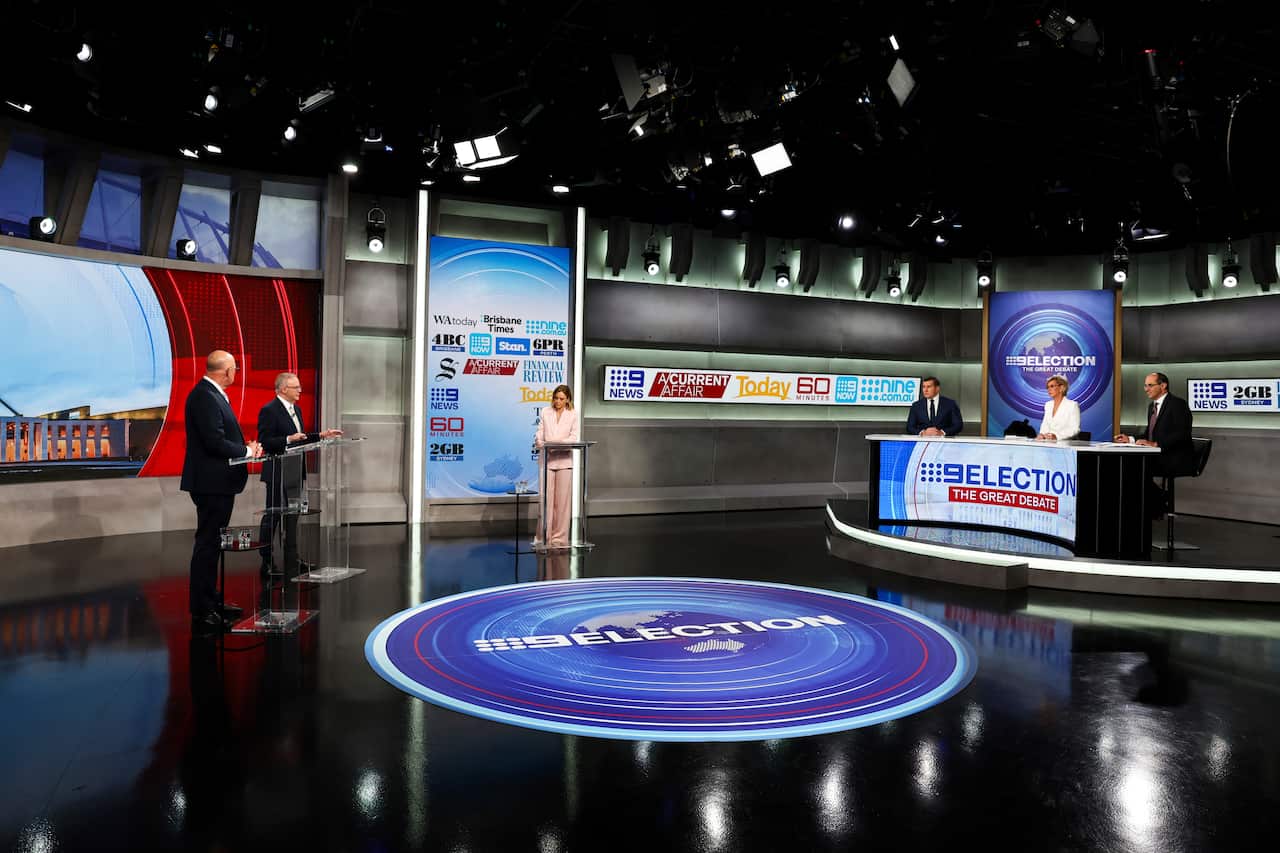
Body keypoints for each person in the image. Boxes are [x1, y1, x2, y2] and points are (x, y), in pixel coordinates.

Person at [180, 351, 262, 634]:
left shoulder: (211, 394)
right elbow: (214, 442)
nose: (236, 373)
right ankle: (202, 609)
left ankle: (211, 600)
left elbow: (219, 437)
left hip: (218, 482)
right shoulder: (204, 395)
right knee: (207, 544)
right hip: (210, 484)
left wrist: (244, 447)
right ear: (226, 371)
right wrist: (246, 451)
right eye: (235, 369)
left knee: (213, 544)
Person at [256, 372, 342, 575]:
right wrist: (287, 438)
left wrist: (320, 436)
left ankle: (292, 559)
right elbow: (265, 441)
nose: (300, 391)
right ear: (283, 389)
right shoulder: (269, 410)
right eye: (296, 387)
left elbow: (300, 439)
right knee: (274, 516)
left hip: (295, 472)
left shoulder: (297, 409)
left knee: (293, 516)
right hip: (278, 471)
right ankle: (267, 562)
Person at [1113, 371, 1195, 515]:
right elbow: (1149, 434)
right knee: (1127, 466)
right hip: (1157, 455)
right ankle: (1156, 500)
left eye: (1150, 385)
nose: (1146, 389)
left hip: (1175, 456)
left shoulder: (1177, 404)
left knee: (1136, 467)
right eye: (1145, 386)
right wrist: (1130, 439)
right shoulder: (1152, 406)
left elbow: (1183, 433)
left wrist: (1156, 444)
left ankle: (1158, 500)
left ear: (1163, 386)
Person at [534, 384, 579, 549]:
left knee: (562, 503)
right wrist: (543, 442)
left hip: (565, 462)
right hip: (547, 460)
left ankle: (559, 539)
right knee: (545, 501)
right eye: (555, 398)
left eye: (561, 399)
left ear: (567, 399)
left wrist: (554, 442)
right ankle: (543, 537)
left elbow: (573, 437)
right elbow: (540, 434)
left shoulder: (573, 414)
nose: (557, 402)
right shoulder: (546, 412)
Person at [1037, 375, 1081, 441]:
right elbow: (1045, 424)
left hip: (1064, 444)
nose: (1049, 389)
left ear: (1061, 388)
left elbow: (1074, 429)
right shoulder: (1048, 405)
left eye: (1052, 386)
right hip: (1047, 443)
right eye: (1047, 387)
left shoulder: (1072, 405)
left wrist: (1057, 436)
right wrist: (1042, 434)